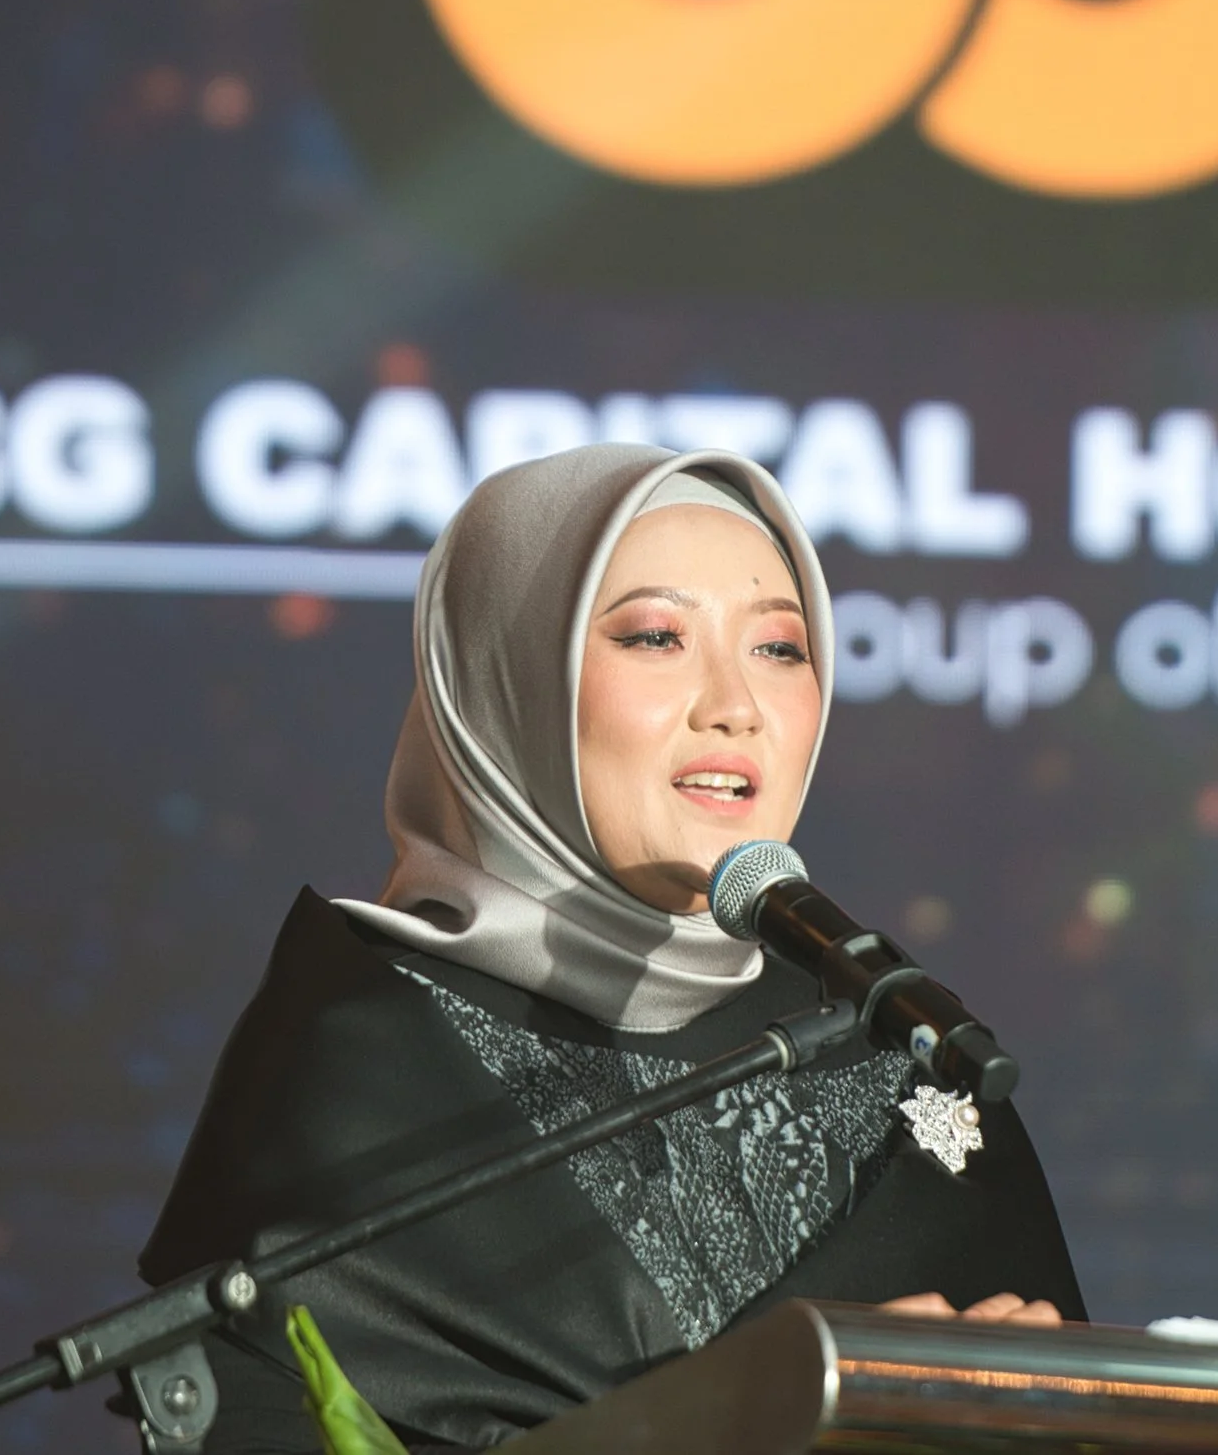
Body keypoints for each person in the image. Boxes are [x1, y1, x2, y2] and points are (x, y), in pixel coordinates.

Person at [139, 445, 1083, 1454]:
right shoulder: (361, 1060)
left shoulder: (888, 1030)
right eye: (655, 636)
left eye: (778, 648)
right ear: (506, 679)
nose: (734, 705)